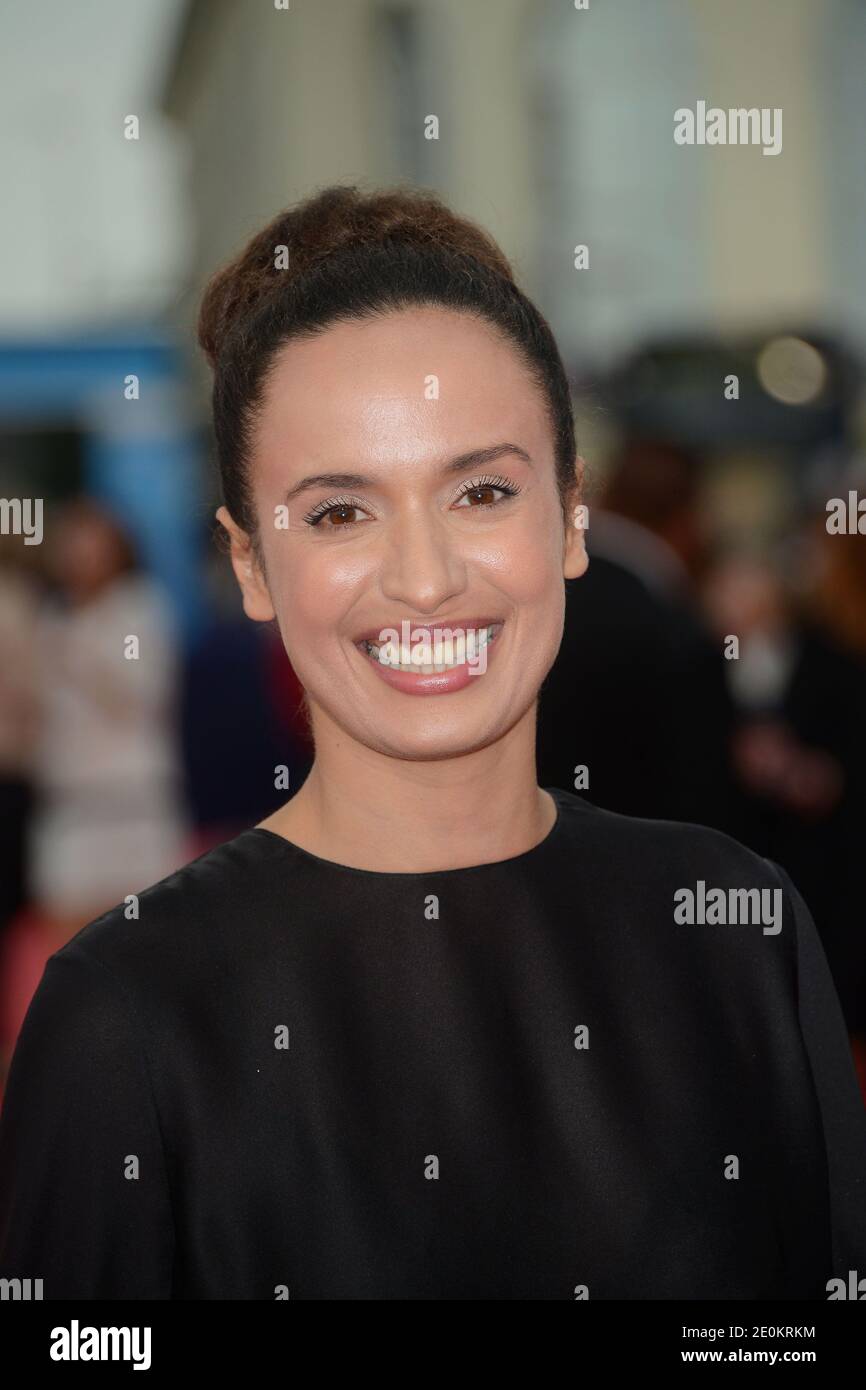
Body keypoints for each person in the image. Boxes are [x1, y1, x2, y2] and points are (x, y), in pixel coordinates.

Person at [0, 185, 864, 1301]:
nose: (423, 576)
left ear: (570, 518)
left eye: (481, 491)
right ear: (251, 565)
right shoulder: (125, 1010)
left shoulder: (737, 926)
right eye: (339, 512)